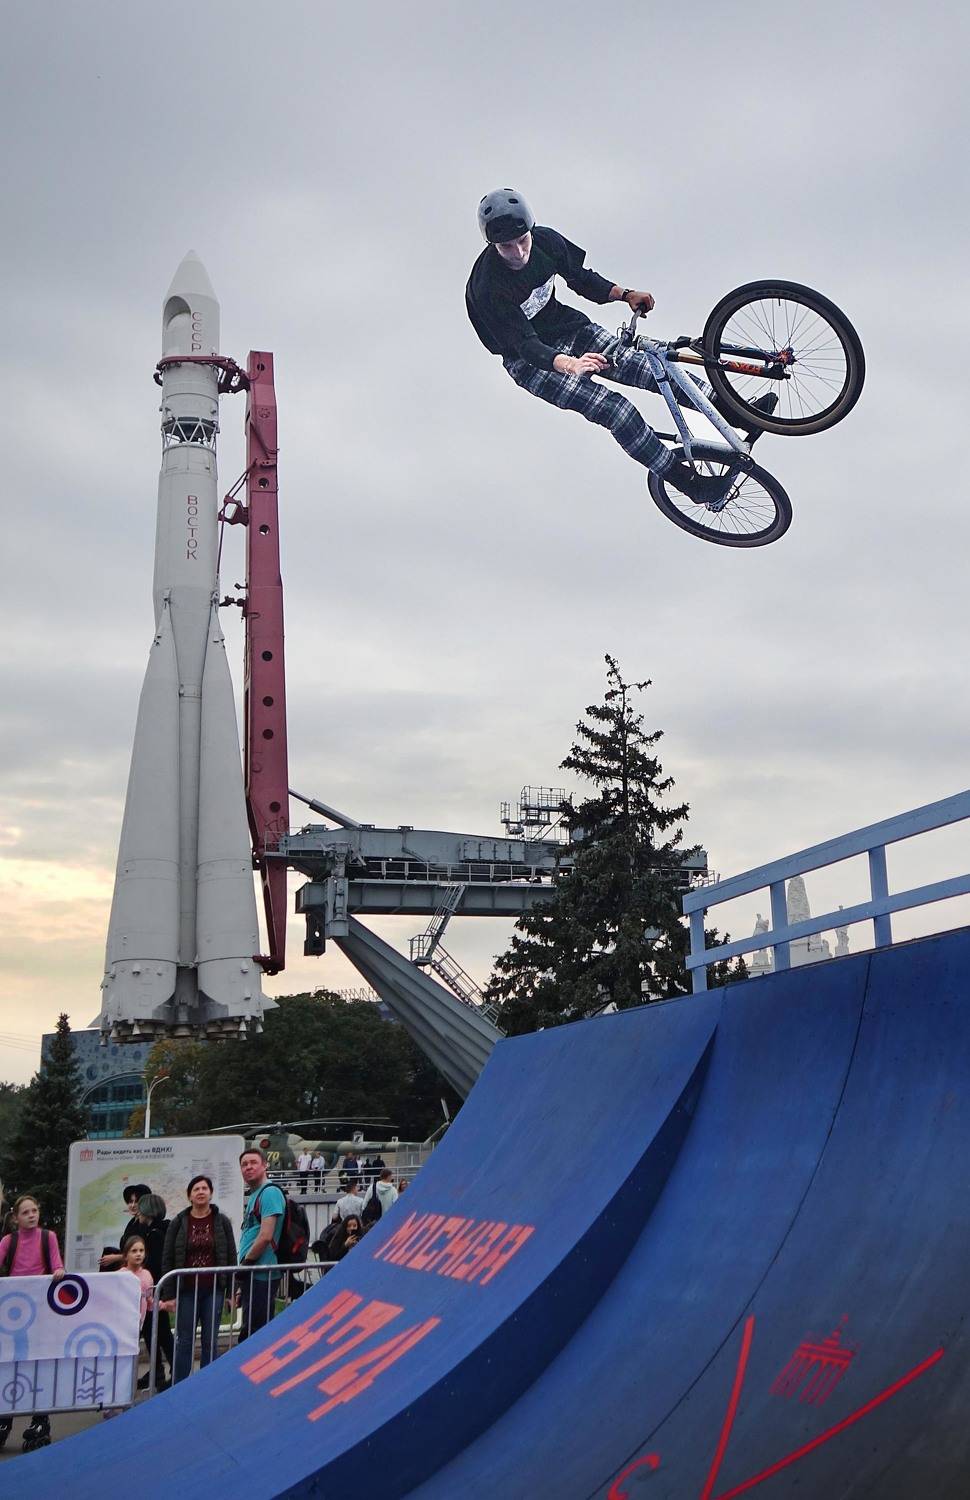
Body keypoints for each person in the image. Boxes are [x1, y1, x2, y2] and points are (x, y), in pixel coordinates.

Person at [466, 188, 777, 506]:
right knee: (616, 410)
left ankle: (736, 413)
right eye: (507, 247)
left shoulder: (546, 241)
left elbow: (582, 279)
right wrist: (570, 364)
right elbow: (526, 345)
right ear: (493, 246)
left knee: (650, 369)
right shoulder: (487, 288)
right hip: (530, 362)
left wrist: (625, 294)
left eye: (522, 241)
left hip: (570, 329)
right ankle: (690, 483)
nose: (519, 253)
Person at [0, 1194, 65, 1451]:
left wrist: (59, 1272)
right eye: (25, 1212)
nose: (31, 1215)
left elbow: (57, 1265)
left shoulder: (48, 1237)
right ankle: (4, 1419)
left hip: (41, 1312)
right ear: (16, 1218)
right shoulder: (9, 1241)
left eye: (34, 1211)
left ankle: (40, 1420)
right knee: (11, 1365)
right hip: (14, 1313)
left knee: (40, 1365)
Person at [161, 1175, 237, 1384]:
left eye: (204, 1188)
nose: (201, 1192)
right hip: (186, 1291)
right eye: (196, 1189)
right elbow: (167, 1258)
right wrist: (169, 1295)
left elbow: (231, 1256)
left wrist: (231, 1291)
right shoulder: (178, 1222)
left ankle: (207, 1384)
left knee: (210, 1340)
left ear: (211, 1194)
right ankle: (180, 1385)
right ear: (189, 1196)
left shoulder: (222, 1222)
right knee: (184, 1340)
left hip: (214, 1290)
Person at [236, 1147, 285, 1341]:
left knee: (255, 1332)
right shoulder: (256, 1194)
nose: (248, 1167)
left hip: (262, 1272)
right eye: (244, 1164)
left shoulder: (269, 1193)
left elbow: (265, 1235)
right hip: (254, 1273)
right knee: (251, 1327)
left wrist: (245, 1264)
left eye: (253, 1163)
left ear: (265, 1166)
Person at [129, 1193, 173, 1388]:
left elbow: (154, 1264)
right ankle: (160, 1372)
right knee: (156, 1332)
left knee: (160, 1332)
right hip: (154, 1290)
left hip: (154, 1291)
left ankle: (169, 1371)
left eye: (140, 1208)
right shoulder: (154, 1231)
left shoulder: (155, 1234)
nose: (137, 1211)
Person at [99, 1182, 151, 1271]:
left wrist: (116, 1258)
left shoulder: (144, 1224)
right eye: (130, 1201)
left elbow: (142, 1254)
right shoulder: (132, 1222)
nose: (133, 1205)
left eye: (137, 1202)